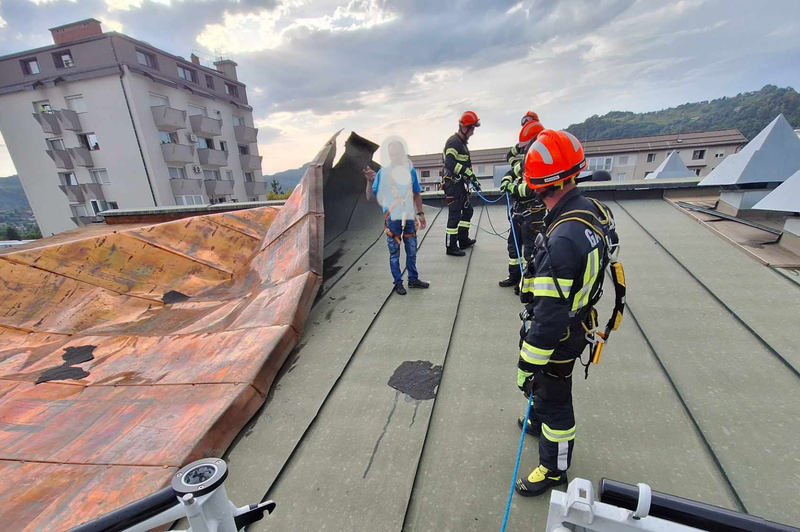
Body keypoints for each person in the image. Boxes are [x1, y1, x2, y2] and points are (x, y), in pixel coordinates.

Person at [514, 129, 622, 497]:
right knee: (545, 394)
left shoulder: (562, 239)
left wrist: (525, 364)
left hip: (561, 333)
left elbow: (549, 320)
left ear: (537, 184)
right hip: (579, 318)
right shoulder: (592, 210)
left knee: (554, 397)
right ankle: (538, 418)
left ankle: (553, 469)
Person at [364, 136, 430, 295]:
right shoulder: (383, 173)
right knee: (394, 252)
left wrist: (420, 214)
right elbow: (370, 197)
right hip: (392, 218)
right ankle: (398, 283)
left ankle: (413, 279)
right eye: (391, 154)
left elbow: (416, 193)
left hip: (408, 216)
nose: (394, 157)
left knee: (412, 250)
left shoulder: (410, 171)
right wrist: (368, 181)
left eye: (397, 154)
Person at [499, 116, 546, 291]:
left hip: (533, 213)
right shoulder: (529, 156)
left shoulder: (541, 159)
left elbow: (529, 189)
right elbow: (513, 169)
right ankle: (515, 276)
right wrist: (506, 179)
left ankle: (529, 286)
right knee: (514, 246)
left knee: (530, 252)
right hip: (520, 212)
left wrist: (510, 187)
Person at [441, 111, 482, 257]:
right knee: (454, 215)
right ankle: (450, 246)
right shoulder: (453, 142)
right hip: (452, 185)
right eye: (472, 129)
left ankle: (463, 240)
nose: (473, 133)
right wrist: (467, 172)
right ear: (465, 128)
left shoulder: (462, 144)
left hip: (460, 185)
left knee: (468, 211)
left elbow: (466, 166)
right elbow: (449, 162)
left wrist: (473, 179)